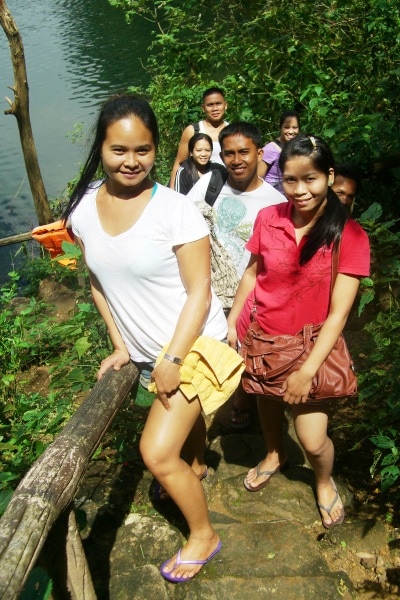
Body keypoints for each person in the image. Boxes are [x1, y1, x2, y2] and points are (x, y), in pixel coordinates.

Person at [63, 94, 229, 582]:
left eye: (143, 150)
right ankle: (194, 468)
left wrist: (174, 358)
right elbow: (98, 280)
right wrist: (120, 344)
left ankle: (204, 536)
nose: (131, 161)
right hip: (149, 349)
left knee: (156, 453)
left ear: (158, 149)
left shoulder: (176, 211)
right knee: (182, 436)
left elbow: (200, 293)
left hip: (195, 344)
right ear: (101, 148)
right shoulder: (84, 207)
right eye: (119, 150)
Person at [227, 135, 370, 528]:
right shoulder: (268, 217)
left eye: (310, 179)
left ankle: (323, 480)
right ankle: (275, 453)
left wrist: (307, 371)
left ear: (328, 176)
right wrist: (233, 319)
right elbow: (253, 274)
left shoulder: (350, 235)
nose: (300, 190)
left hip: (310, 347)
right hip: (263, 337)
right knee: (267, 402)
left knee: (312, 439)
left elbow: (339, 314)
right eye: (290, 180)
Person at [188, 121, 286, 428]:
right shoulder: (210, 184)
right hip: (207, 286)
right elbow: (184, 221)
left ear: (259, 153)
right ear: (221, 156)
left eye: (244, 152)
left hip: (250, 291)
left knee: (244, 350)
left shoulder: (277, 203)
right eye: (229, 153)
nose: (237, 160)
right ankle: (200, 408)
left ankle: (242, 400)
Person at [169, 87, 228, 188]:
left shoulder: (232, 132)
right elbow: (179, 164)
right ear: (203, 108)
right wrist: (173, 192)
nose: (215, 108)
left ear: (225, 105)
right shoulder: (193, 131)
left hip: (225, 186)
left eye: (218, 104)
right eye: (210, 105)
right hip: (196, 187)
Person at [258, 110, 300, 191]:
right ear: (280, 128)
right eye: (287, 127)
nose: (291, 131)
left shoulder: (297, 149)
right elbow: (258, 178)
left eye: (295, 127)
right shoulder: (270, 149)